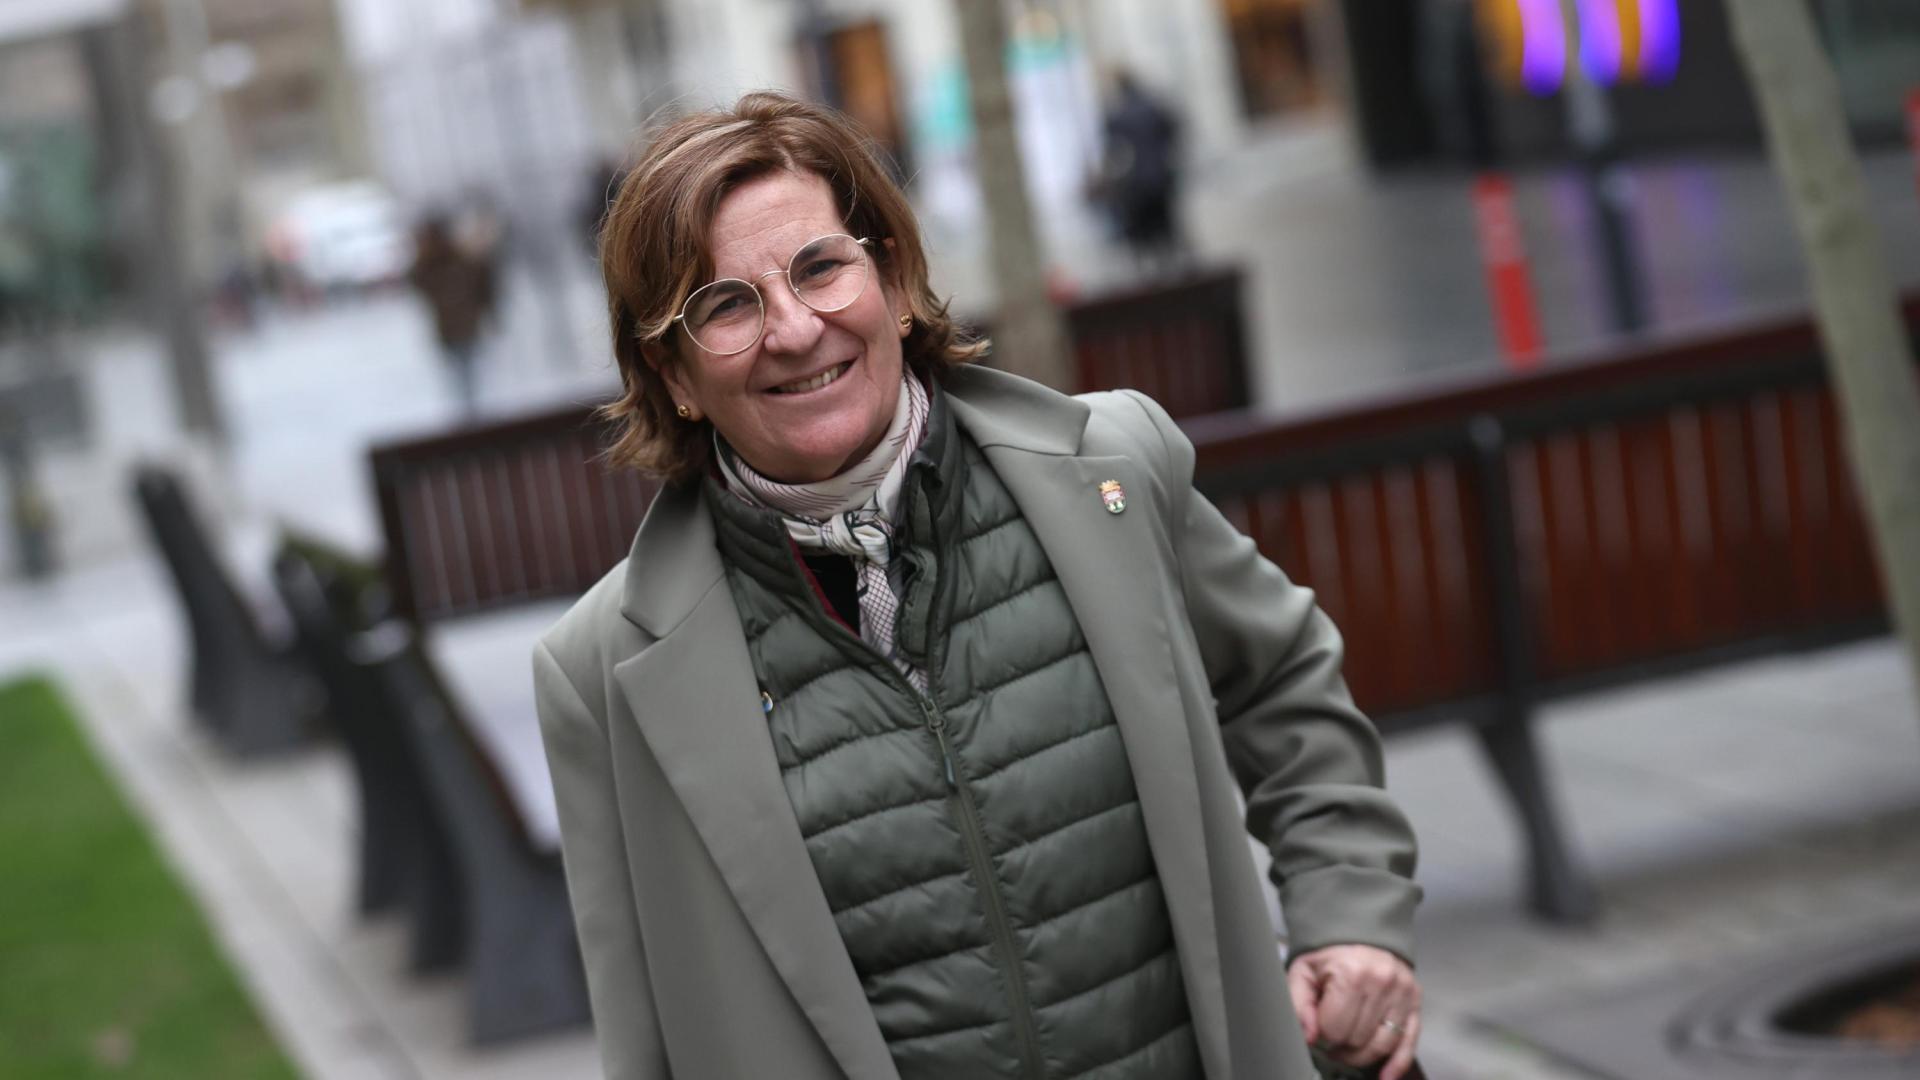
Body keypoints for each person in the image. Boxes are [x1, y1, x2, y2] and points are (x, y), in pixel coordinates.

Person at [534, 92, 1423, 1080]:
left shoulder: (1110, 473)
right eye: (726, 305)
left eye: (820, 267)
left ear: (895, 281)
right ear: (673, 375)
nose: (793, 327)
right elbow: (646, 1039)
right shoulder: (603, 673)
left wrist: (1350, 915)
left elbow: (1283, 677)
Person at [406, 211, 497, 415]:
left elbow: (481, 281)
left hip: (461, 326)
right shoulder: (433, 265)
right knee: (463, 372)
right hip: (453, 328)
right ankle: (470, 408)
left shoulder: (455, 261)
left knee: (467, 371)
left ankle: (472, 408)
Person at [1095, 70, 1184, 270]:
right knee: (1165, 227)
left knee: (1144, 233)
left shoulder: (1119, 114)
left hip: (1137, 182)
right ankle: (1171, 265)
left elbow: (1111, 146)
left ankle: (1152, 270)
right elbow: (1173, 129)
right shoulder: (1153, 106)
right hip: (1161, 176)